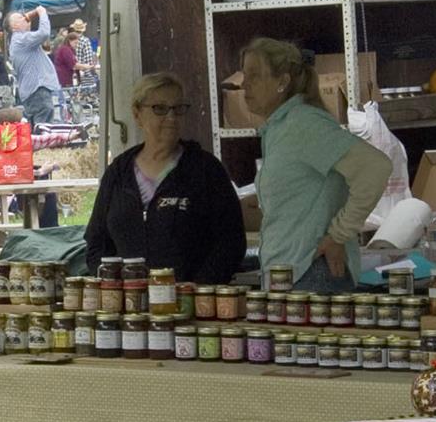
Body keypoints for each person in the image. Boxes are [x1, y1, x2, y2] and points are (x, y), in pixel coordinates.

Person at [240, 36, 391, 295]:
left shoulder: (304, 123)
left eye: (254, 76)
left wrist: (339, 235)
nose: (244, 85)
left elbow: (375, 167)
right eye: (244, 75)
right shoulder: (280, 127)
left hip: (311, 273)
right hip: (291, 273)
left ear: (282, 82)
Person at [83, 72, 245, 281]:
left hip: (189, 306)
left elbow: (231, 241)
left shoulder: (205, 170)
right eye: (160, 109)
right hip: (130, 306)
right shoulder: (118, 172)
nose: (171, 117)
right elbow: (96, 243)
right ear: (137, 113)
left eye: (178, 109)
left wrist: (196, 290)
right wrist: (115, 288)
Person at [8, 7, 62, 124]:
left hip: (31, 92)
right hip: (37, 89)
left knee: (34, 129)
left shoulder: (19, 41)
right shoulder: (21, 39)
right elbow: (44, 33)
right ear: (14, 26)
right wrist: (42, 13)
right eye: (19, 18)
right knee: (44, 128)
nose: (25, 18)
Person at [51, 30, 79, 94]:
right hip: (64, 79)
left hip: (63, 78)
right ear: (69, 41)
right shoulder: (65, 50)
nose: (76, 45)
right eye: (75, 43)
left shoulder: (67, 49)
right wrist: (86, 66)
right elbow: (73, 65)